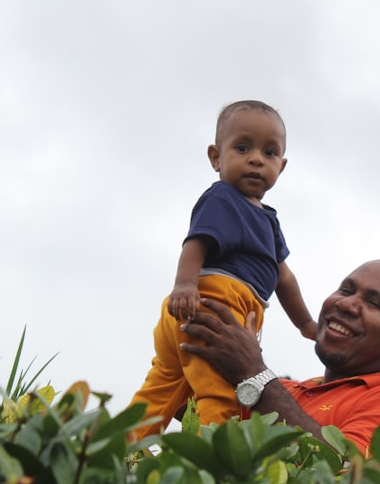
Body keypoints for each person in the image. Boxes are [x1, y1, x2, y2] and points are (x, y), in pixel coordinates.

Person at [128, 100, 318, 438]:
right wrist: (185, 285)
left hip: (195, 310)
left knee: (161, 391)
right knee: (219, 395)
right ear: (216, 157)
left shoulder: (268, 219)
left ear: (282, 166)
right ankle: (214, 462)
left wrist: (305, 323)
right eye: (242, 148)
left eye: (270, 153)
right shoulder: (222, 198)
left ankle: (118, 449)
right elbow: (196, 243)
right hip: (214, 304)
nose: (257, 159)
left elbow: (283, 277)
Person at [178, 257, 380, 451]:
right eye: (346, 290)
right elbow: (187, 409)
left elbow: (340, 475)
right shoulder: (283, 391)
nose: (346, 304)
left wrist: (253, 373)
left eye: (374, 303)